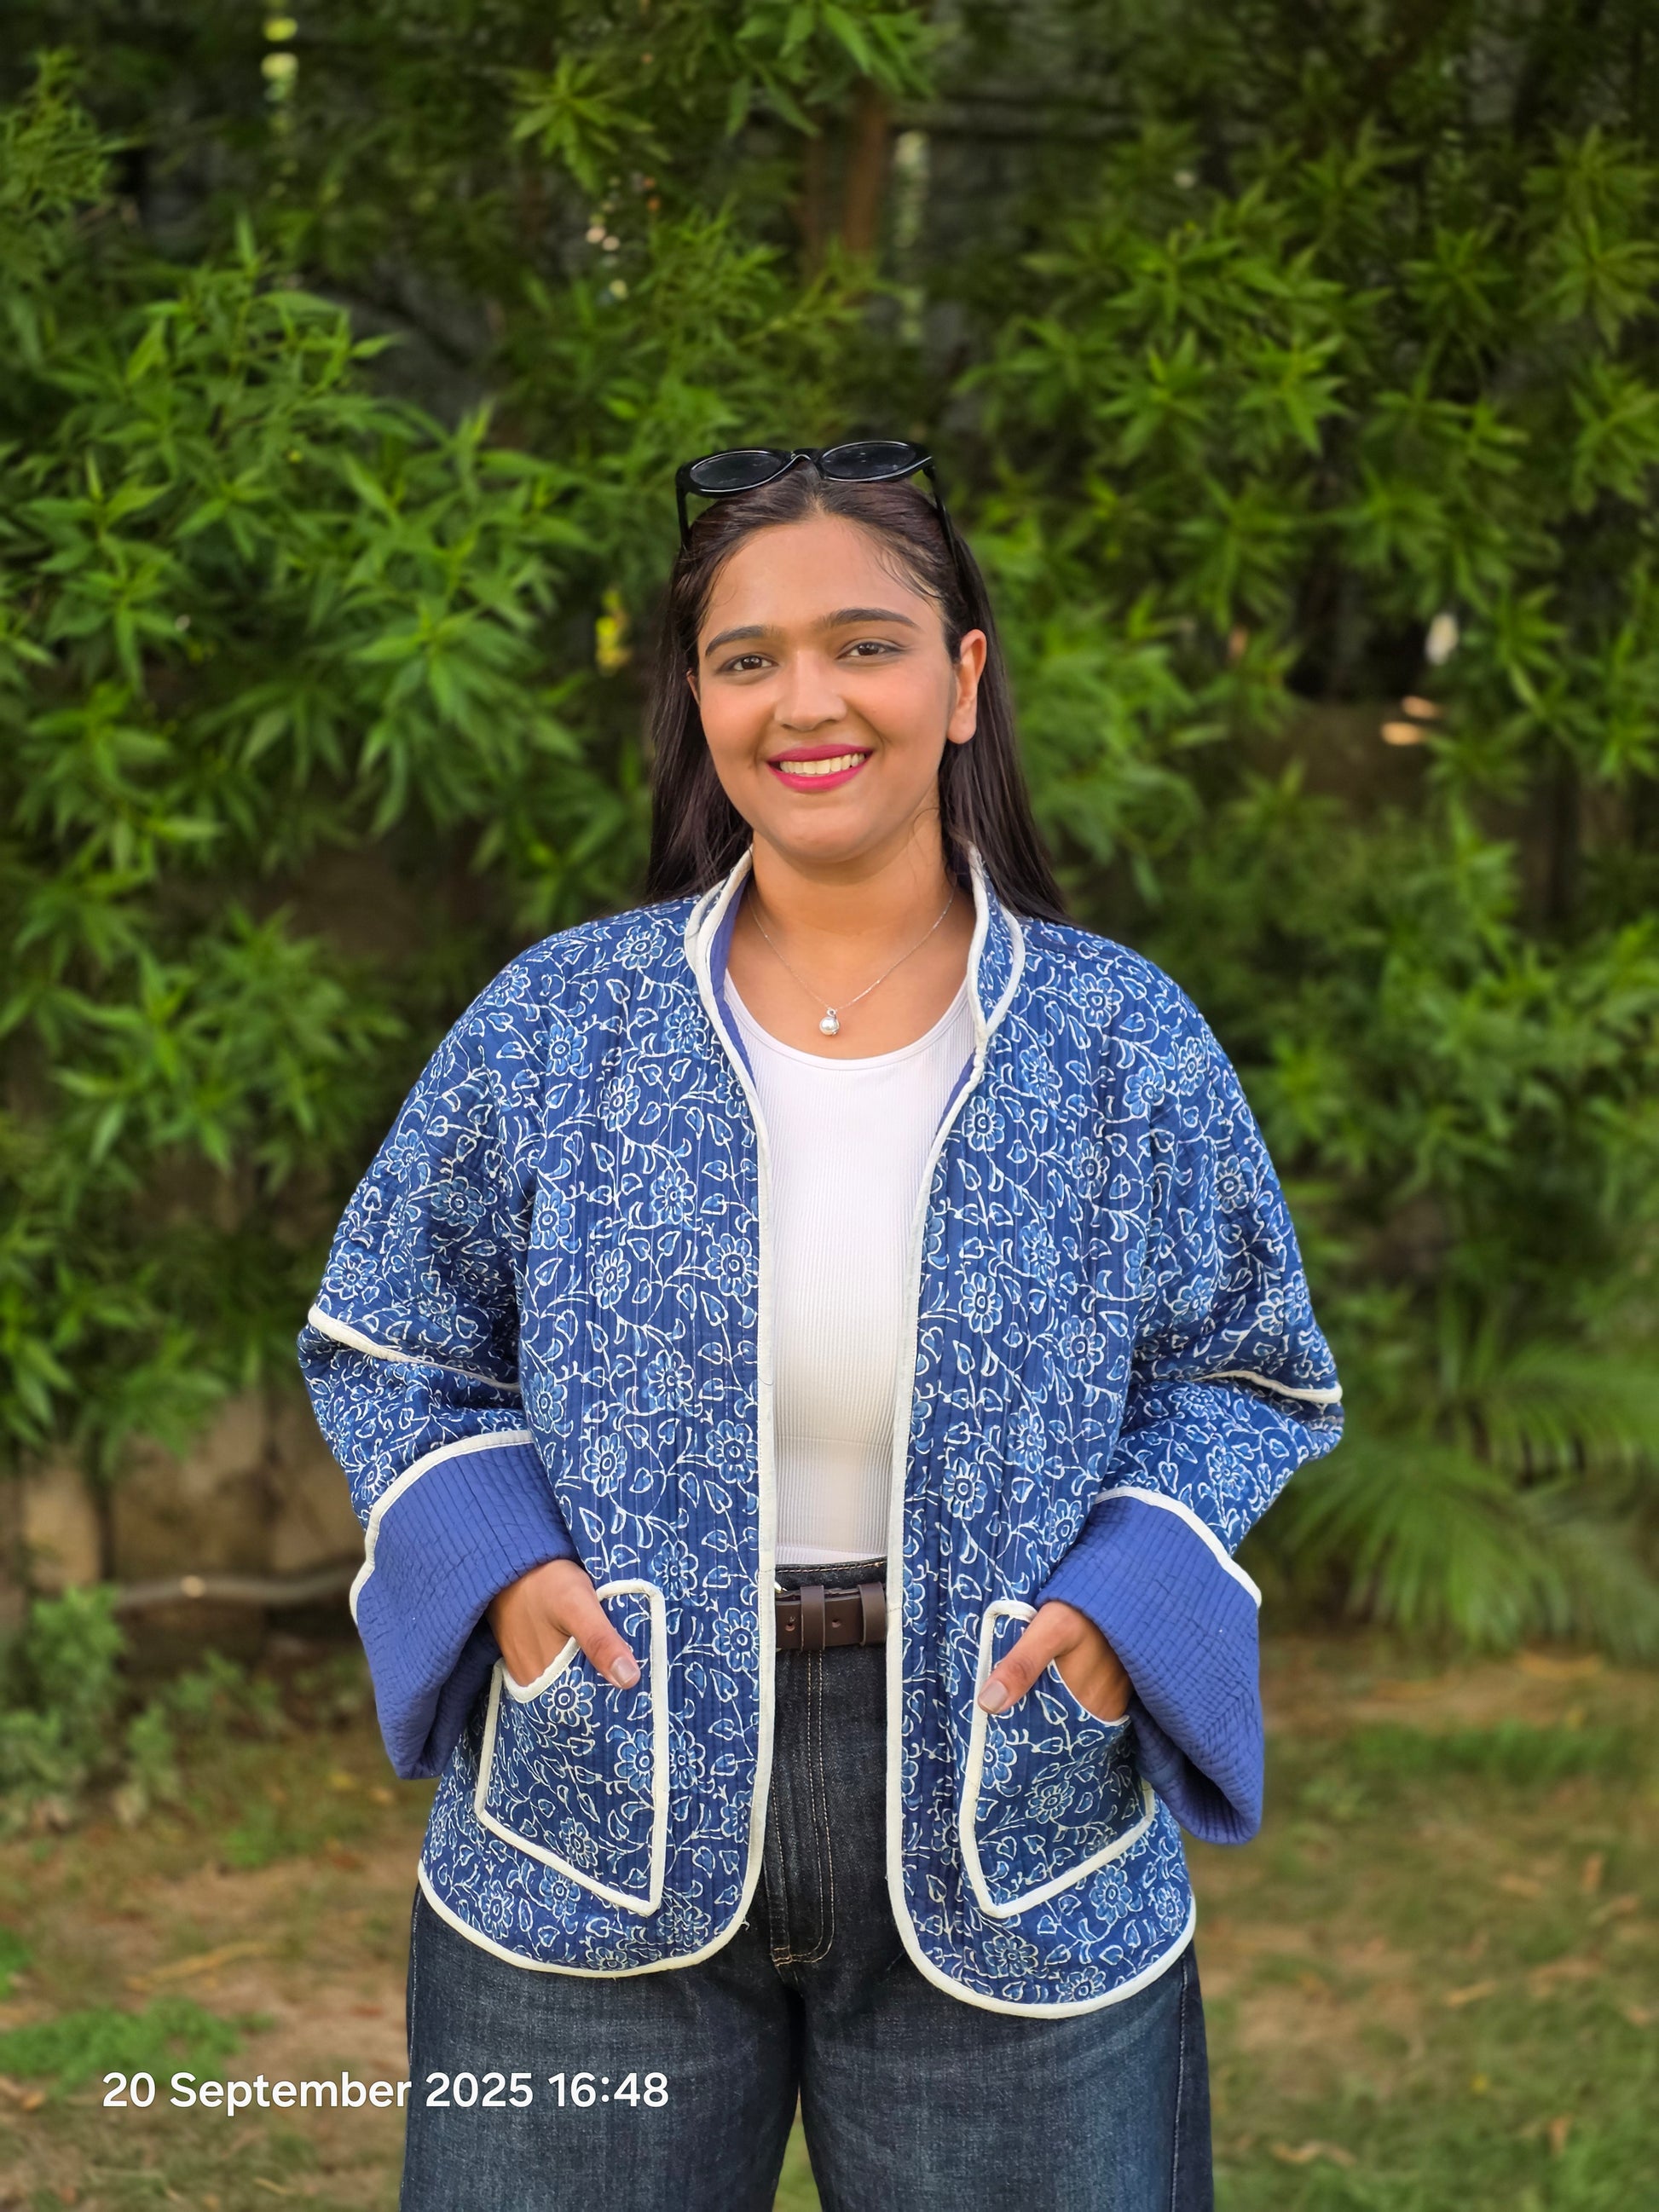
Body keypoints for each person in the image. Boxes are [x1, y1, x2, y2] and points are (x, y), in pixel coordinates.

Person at [298, 442, 1343, 2212]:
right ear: (697, 700)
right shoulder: (559, 1022)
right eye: (747, 658)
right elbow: (390, 1334)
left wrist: (1117, 1604)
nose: (806, 701)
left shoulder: (1118, 1040)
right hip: (597, 1792)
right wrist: (502, 1567)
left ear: (963, 679)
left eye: (864, 644)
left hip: (1009, 1805)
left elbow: (1247, 1368)